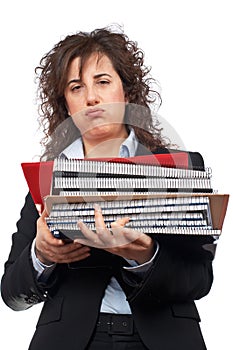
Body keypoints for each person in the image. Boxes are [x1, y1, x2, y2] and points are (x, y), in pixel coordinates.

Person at [1, 25, 215, 350]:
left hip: (163, 338)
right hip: (70, 340)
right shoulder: (47, 180)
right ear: (67, 105)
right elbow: (12, 295)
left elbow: (200, 279)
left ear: (126, 93)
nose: (91, 98)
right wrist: (41, 255)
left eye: (102, 82)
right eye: (76, 88)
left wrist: (144, 255)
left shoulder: (177, 168)